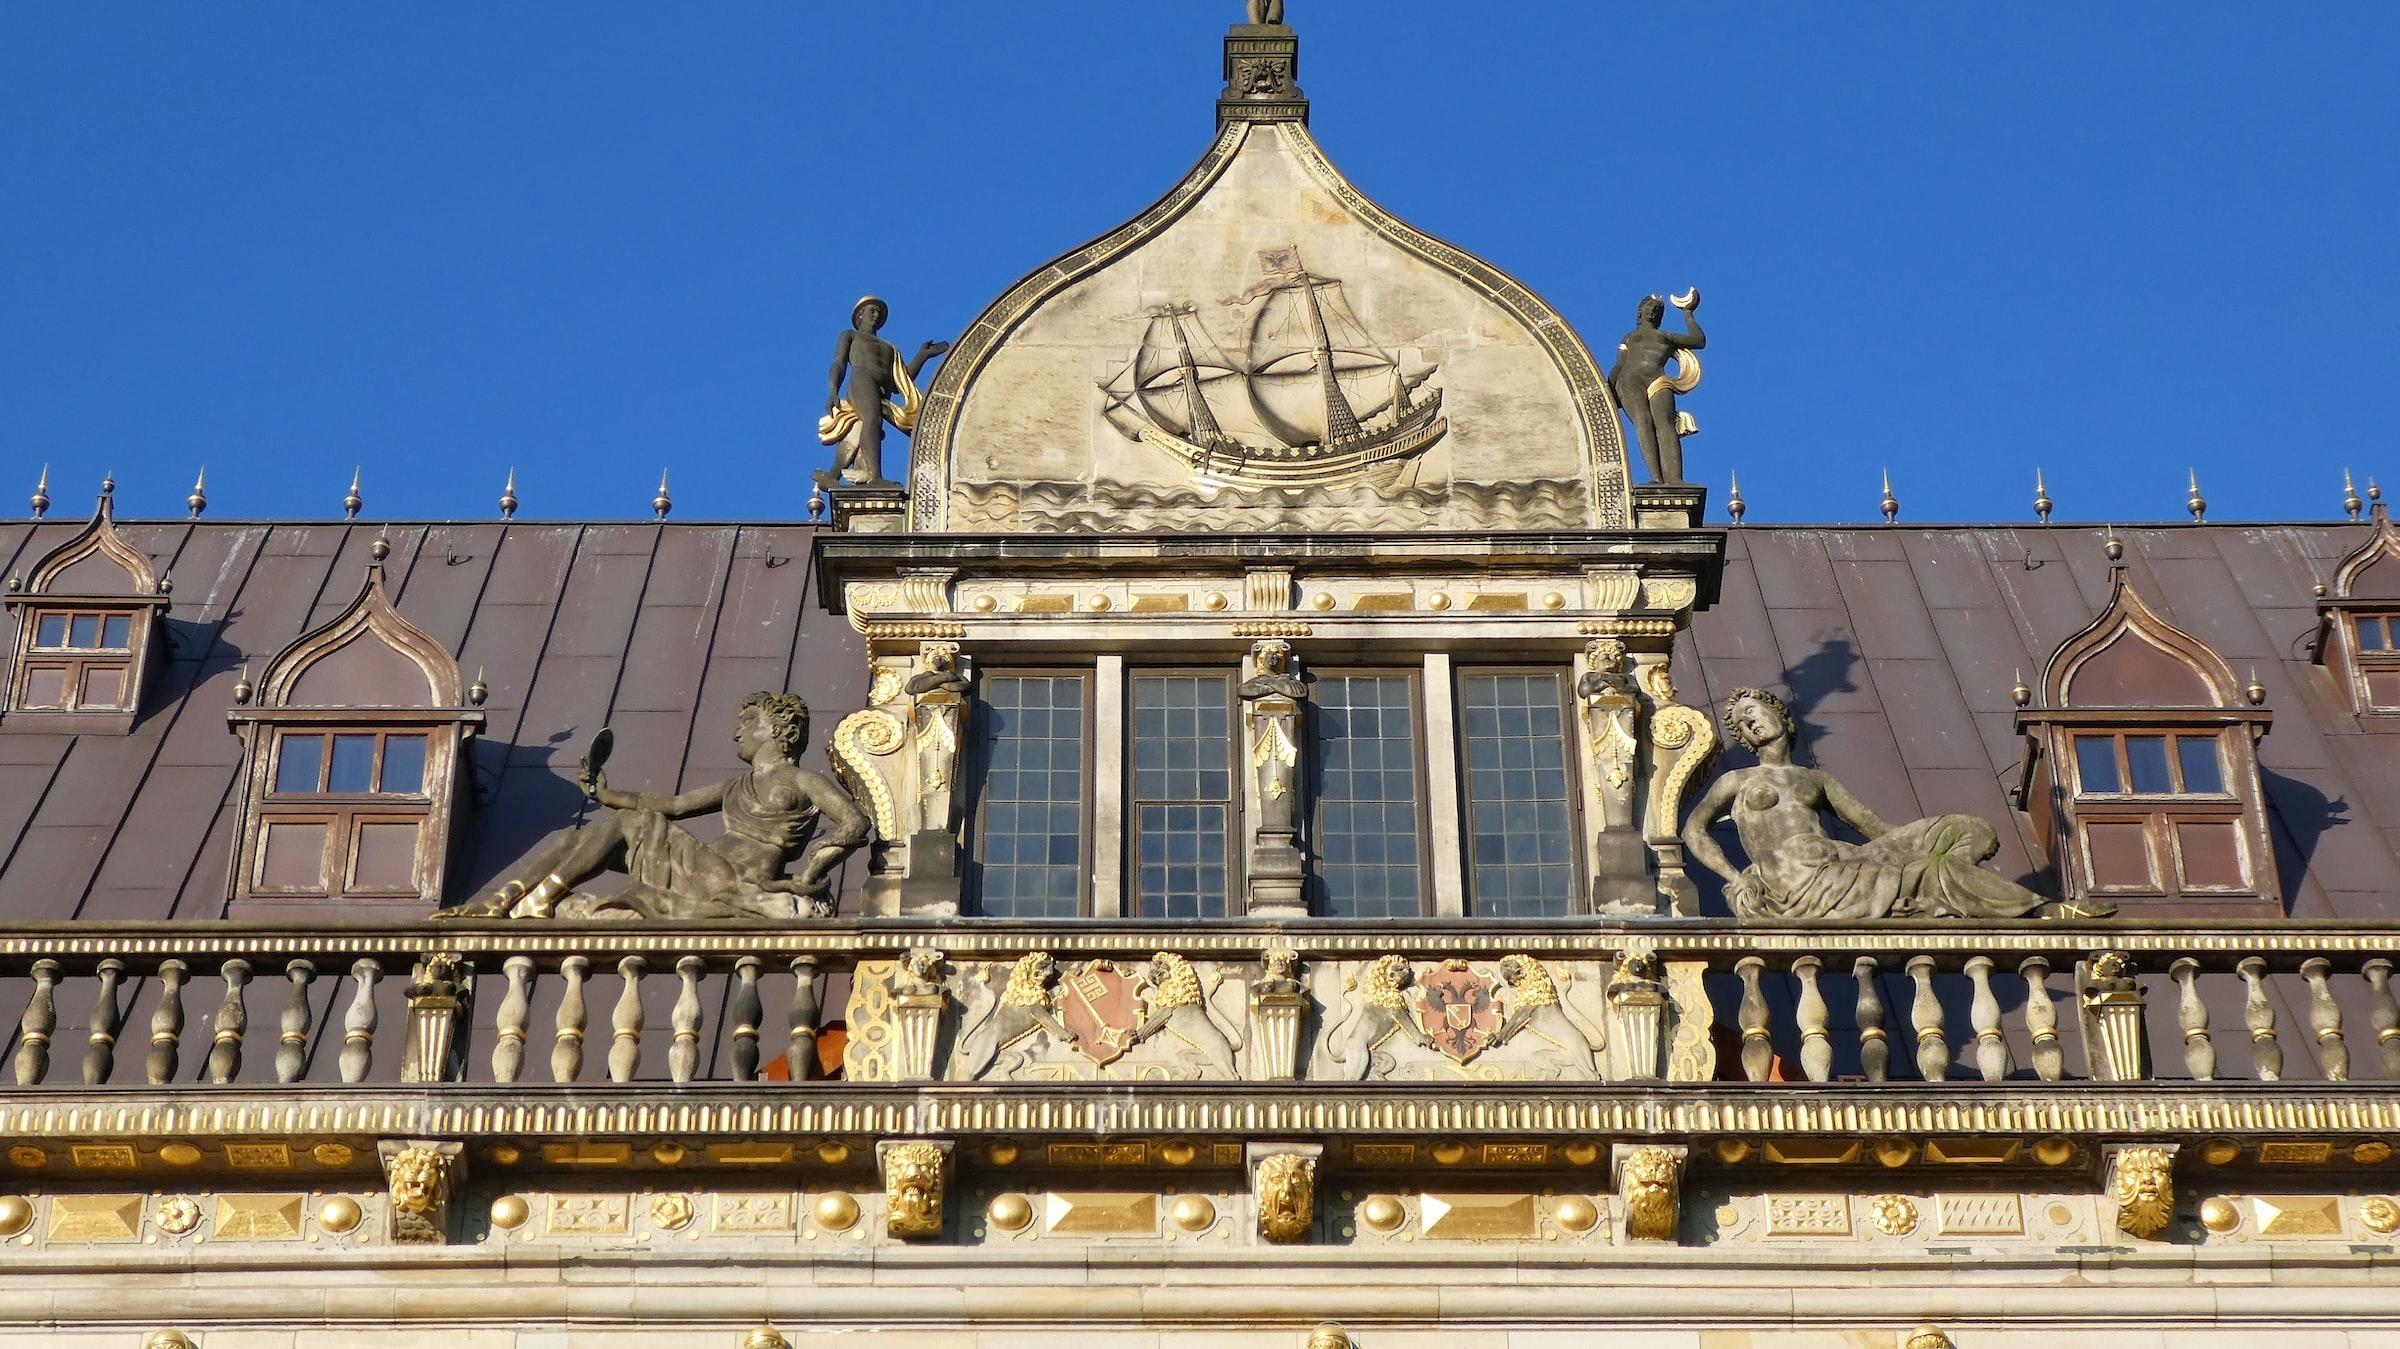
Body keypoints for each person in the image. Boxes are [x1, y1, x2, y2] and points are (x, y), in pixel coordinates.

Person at [1681, 688, 2107, 921]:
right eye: (1742, 723)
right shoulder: (1737, 781)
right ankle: (2025, 909)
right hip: (1795, 884)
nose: (1751, 721)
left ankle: (2041, 910)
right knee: (1930, 871)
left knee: (1963, 833)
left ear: (1782, 718)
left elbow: (1874, 828)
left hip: (1845, 864)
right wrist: (1735, 877)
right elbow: (1692, 830)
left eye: (1755, 711)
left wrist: (1920, 843)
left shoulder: (1818, 779)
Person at [446, 693, 869, 920]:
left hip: (735, 881)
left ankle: (543, 899)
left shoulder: (801, 779)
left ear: (777, 727)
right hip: (703, 870)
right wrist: (605, 796)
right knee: (573, 838)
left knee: (633, 823)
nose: (736, 733)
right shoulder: (737, 783)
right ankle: (504, 902)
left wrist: (810, 874)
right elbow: (675, 805)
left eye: (747, 722)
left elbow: (855, 822)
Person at [820, 297, 949, 488]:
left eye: (878, 313)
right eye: (871, 311)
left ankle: (833, 475)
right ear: (859, 316)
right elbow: (838, 363)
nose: (876, 315)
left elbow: (901, 382)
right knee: (873, 420)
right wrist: (833, 391)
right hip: (862, 379)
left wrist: (922, 356)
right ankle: (876, 477)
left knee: (864, 427)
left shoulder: (889, 348)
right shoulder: (851, 336)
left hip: (881, 391)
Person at [1607, 290, 1705, 483]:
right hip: (1630, 380)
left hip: (1658, 379)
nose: (1653, 311)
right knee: (1643, 424)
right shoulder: (1630, 337)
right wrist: (1607, 391)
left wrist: (1687, 313)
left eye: (1658, 310)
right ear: (1640, 312)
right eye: (1649, 307)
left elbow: (1698, 340)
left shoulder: (1666, 336)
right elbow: (1619, 365)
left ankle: (1675, 481)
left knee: (1666, 426)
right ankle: (1656, 479)